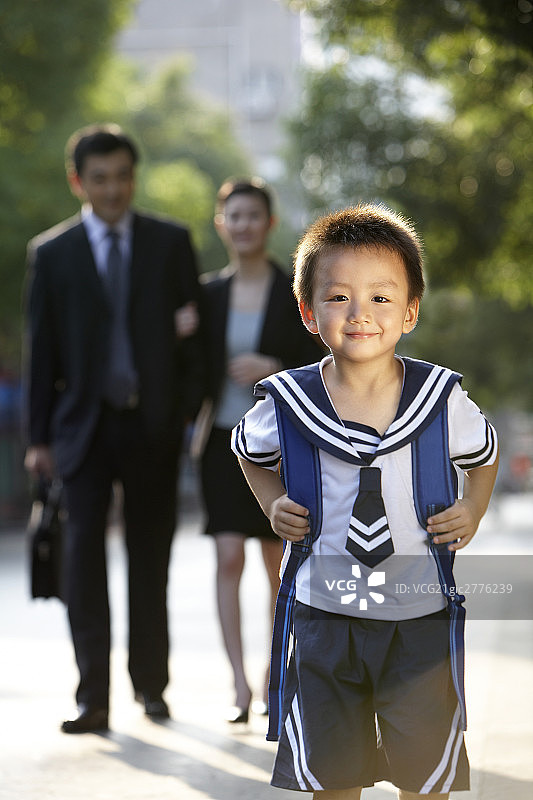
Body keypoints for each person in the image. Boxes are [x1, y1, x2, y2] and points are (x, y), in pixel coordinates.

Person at [232, 204, 499, 798]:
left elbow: (484, 454)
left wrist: (474, 508)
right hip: (324, 613)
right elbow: (246, 448)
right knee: (333, 772)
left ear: (410, 311)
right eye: (338, 297)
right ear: (308, 312)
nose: (360, 314)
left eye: (381, 298)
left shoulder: (441, 399)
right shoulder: (287, 403)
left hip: (418, 616)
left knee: (424, 772)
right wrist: (271, 501)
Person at [23, 123, 204, 733]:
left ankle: (151, 688)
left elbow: (192, 340)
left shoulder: (171, 242)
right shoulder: (52, 254)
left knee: (151, 561)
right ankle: (91, 698)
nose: (112, 189)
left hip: (153, 426)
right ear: (79, 181)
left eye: (122, 176)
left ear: (133, 177)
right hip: (83, 430)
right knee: (82, 565)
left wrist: (181, 411)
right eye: (99, 178)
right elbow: (40, 350)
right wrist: (38, 440)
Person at [197, 178, 323, 724]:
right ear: (221, 224)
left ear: (270, 224)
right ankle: (237, 684)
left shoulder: (293, 291)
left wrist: (273, 368)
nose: (244, 225)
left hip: (278, 447)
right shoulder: (206, 296)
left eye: (254, 216)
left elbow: (316, 359)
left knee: (278, 565)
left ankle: (277, 672)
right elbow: (186, 370)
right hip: (220, 443)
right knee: (228, 558)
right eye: (234, 216)